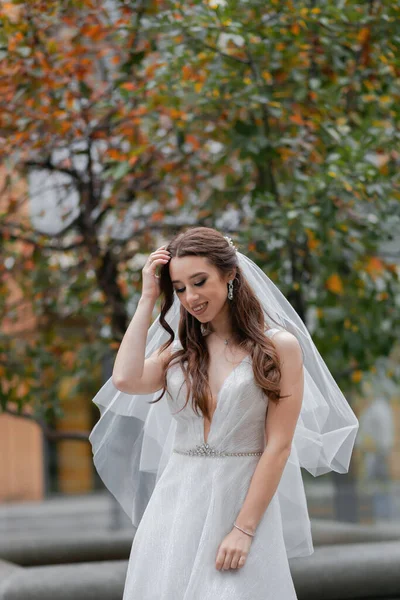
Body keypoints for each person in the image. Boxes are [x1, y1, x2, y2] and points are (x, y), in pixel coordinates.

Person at [89, 226, 359, 599]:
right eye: (180, 288)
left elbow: (278, 447)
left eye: (199, 282)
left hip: (240, 502)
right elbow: (125, 378)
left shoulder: (278, 347)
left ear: (230, 275)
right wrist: (147, 297)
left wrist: (244, 529)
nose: (190, 297)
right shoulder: (179, 350)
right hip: (176, 503)